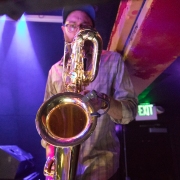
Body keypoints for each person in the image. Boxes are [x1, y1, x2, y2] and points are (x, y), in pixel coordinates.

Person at [41, 4, 138, 180]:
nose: (78, 31)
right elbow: (47, 124)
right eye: (72, 25)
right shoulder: (55, 71)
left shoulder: (113, 61)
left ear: (92, 31)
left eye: (84, 26)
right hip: (63, 166)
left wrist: (103, 103)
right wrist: (50, 158)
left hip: (101, 163)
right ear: (64, 30)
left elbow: (130, 113)